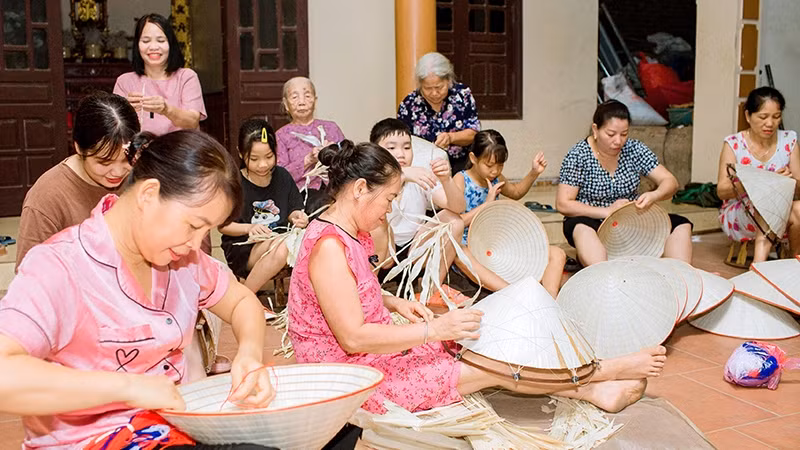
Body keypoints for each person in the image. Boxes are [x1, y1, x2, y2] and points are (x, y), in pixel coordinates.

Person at [287, 140, 668, 416]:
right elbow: (352, 336)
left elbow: (346, 294)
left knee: (475, 344)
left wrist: (390, 300)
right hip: (350, 376)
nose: (388, 210)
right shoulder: (329, 249)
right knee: (483, 366)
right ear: (358, 190)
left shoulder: (349, 232)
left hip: (369, 352)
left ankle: (589, 389)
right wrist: (434, 330)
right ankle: (600, 375)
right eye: (388, 200)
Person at [0, 130, 276, 448]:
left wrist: (250, 355)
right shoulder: (61, 265)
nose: (195, 243)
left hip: (171, 431)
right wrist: (128, 387)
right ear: (148, 195)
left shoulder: (185, 261)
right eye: (193, 225)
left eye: (206, 230)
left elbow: (242, 302)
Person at [370, 119, 519, 297]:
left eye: (407, 147)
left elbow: (458, 207)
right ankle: (370, 291)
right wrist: (399, 176)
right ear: (376, 151)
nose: (401, 154)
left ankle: (432, 292)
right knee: (378, 223)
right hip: (383, 255)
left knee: (453, 221)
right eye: (391, 148)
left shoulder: (419, 176)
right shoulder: (369, 178)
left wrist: (446, 179)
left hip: (414, 250)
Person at [556, 100, 693, 266]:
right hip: (591, 218)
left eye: (624, 134)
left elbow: (670, 181)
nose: (618, 141)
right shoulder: (578, 155)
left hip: (630, 217)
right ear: (595, 130)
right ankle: (601, 272)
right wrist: (606, 211)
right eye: (611, 134)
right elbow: (563, 204)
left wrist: (654, 195)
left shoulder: (634, 149)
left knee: (681, 224)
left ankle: (682, 276)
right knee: (582, 229)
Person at [16, 92, 138, 270]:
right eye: (104, 162)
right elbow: (29, 276)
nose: (118, 172)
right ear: (79, 147)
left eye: (127, 160)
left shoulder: (139, 178)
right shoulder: (47, 197)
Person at [454, 130, 566, 297]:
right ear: (473, 159)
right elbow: (456, 222)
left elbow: (516, 192)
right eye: (489, 165)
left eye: (500, 165)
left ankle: (550, 300)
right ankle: (514, 294)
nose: (495, 171)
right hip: (469, 244)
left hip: (498, 242)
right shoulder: (461, 179)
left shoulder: (496, 178)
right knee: (461, 255)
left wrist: (534, 172)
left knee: (557, 254)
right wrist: (487, 204)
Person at [220, 118, 309, 294]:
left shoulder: (282, 176)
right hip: (244, 248)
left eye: (269, 157)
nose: (263, 164)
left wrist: (298, 217)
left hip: (280, 240)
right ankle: (246, 294)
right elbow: (224, 226)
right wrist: (250, 228)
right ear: (240, 153)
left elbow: (294, 209)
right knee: (282, 245)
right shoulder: (234, 183)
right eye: (254, 159)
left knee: (299, 242)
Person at [716, 87, 800, 263]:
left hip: (784, 210)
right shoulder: (734, 144)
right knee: (767, 203)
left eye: (776, 117)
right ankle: (760, 267)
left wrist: (787, 182)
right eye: (763, 117)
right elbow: (722, 191)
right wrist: (760, 182)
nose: (770, 123)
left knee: (798, 209)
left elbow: (799, 187)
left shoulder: (789, 140)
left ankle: (794, 261)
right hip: (741, 213)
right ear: (748, 116)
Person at [114, 13, 206, 135]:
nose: (153, 47)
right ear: (137, 45)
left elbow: (193, 122)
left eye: (161, 40)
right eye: (146, 41)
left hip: (178, 151)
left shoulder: (186, 77)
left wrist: (166, 110)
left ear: (170, 44)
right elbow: (114, 128)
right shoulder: (124, 82)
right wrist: (125, 110)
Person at [397, 52, 480, 174]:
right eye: (428, 88)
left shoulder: (462, 95)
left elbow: (473, 133)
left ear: (448, 80)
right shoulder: (409, 104)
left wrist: (451, 137)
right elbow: (401, 140)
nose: (434, 93)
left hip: (461, 163)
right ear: (420, 85)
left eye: (439, 87)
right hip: (424, 167)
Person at [276, 76, 345, 210]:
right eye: (294, 97)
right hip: (302, 196)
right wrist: (308, 160)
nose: (302, 102)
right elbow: (280, 177)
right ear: (285, 104)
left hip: (336, 190)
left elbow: (349, 161)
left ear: (315, 100)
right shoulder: (281, 136)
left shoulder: (331, 128)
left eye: (307, 95)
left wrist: (332, 154)